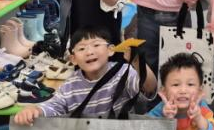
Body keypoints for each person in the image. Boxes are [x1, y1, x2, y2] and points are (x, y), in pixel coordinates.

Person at [13, 27, 157, 124]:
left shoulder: (124, 72)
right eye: (82, 48)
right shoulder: (70, 86)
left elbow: (149, 88)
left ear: (111, 50)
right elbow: (54, 106)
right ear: (73, 59)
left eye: (96, 45)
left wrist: (137, 62)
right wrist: (35, 110)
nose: (89, 52)